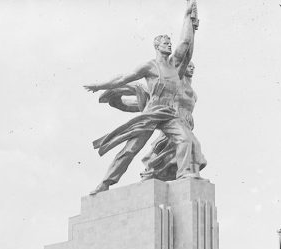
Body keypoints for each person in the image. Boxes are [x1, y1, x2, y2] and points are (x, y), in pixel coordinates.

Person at [84, 1, 199, 193]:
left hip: (170, 114)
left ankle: (185, 172)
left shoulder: (175, 65)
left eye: (170, 43)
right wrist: (99, 85)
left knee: (185, 139)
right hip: (152, 111)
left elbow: (185, 43)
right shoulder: (150, 66)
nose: (169, 45)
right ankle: (105, 182)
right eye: (165, 43)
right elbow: (123, 78)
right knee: (131, 149)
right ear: (157, 46)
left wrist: (188, 16)